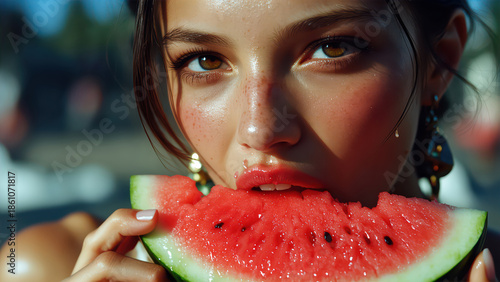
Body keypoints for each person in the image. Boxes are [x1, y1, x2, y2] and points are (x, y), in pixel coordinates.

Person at [1, 0, 498, 281]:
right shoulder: (40, 267)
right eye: (205, 61)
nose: (261, 129)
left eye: (331, 47)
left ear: (439, 61)